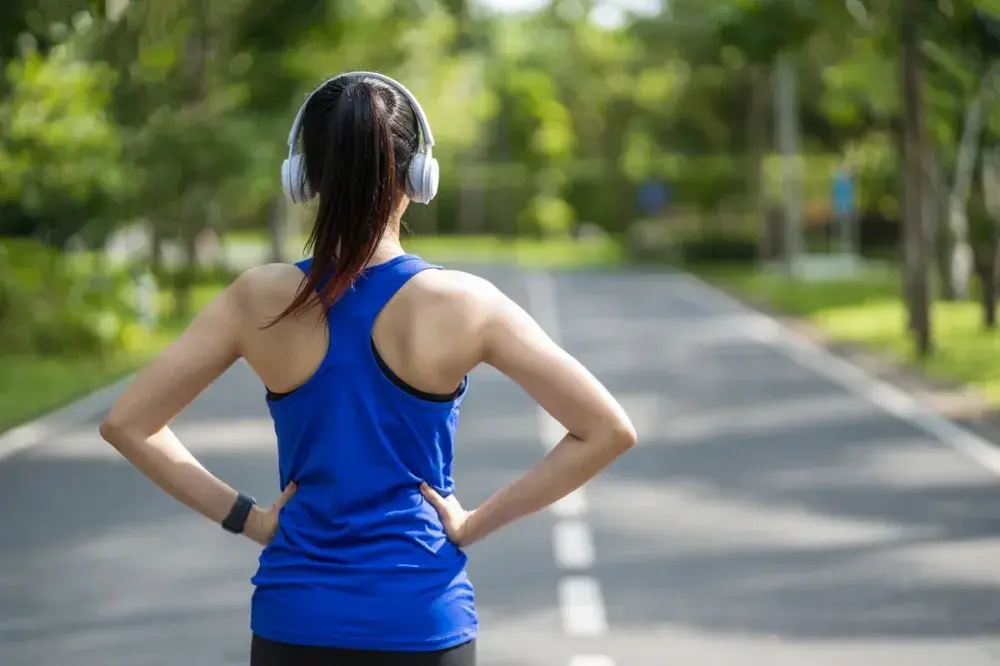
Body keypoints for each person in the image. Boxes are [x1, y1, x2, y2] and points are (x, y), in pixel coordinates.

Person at [99, 72, 637, 666]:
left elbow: (128, 424)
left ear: (304, 178)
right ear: (417, 178)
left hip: (295, 621)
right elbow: (606, 429)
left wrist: (247, 519)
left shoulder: (257, 298)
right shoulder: (466, 304)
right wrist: (473, 523)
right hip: (423, 619)